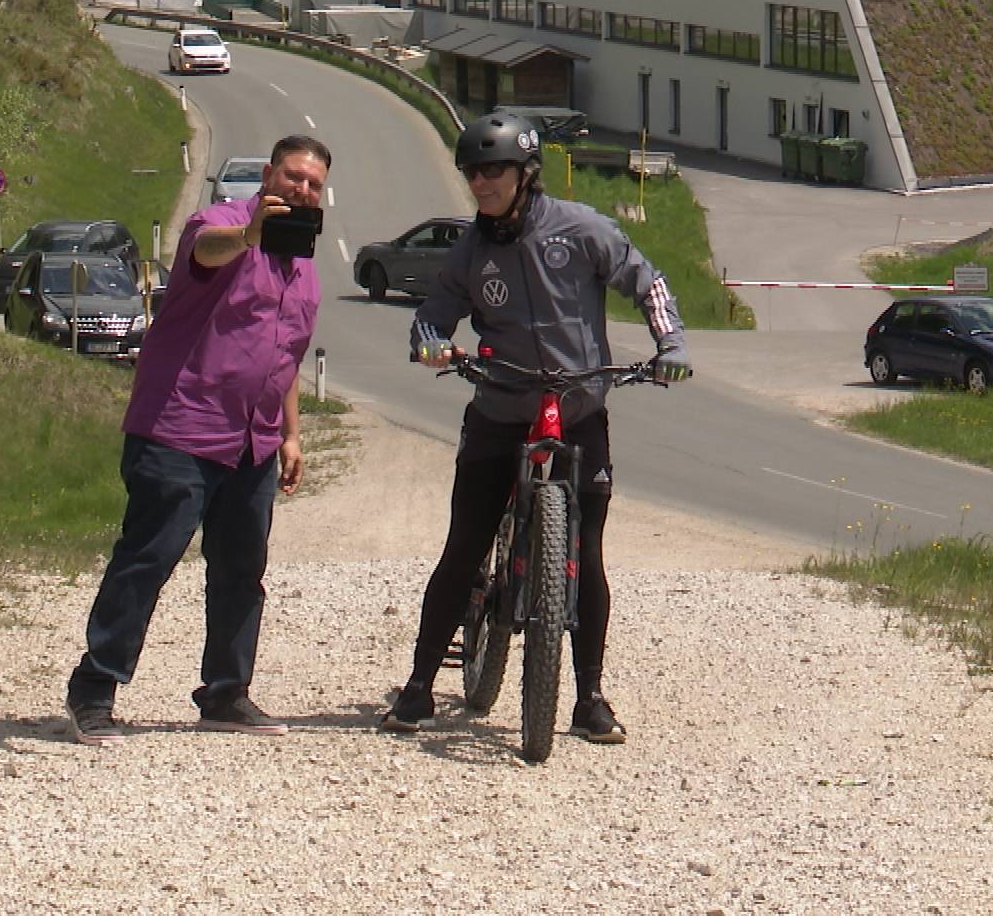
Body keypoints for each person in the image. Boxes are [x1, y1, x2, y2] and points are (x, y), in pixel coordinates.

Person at [379, 111, 692, 745]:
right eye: (472, 171)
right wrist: (433, 345)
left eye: (493, 170)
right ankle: (418, 687)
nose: (480, 181)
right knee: (463, 546)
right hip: (499, 409)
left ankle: (590, 698)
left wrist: (671, 345)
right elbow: (430, 319)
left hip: (579, 411)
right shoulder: (469, 250)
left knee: (589, 554)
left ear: (526, 174)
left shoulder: (581, 229)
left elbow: (648, 281)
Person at [64, 134, 332, 745]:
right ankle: (94, 688)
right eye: (292, 177)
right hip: (181, 425)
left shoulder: (305, 265)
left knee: (242, 569)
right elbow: (206, 253)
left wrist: (291, 434)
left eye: (314, 184)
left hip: (253, 442)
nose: (302, 190)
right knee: (149, 557)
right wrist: (249, 236)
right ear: (268, 175)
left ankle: (226, 693)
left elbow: (283, 355)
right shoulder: (221, 224)